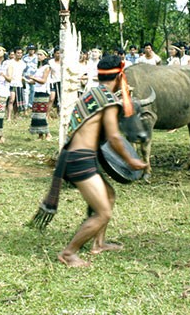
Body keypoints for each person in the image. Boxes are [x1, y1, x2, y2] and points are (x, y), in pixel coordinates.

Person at [31, 54, 147, 267]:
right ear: (121, 76)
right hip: (79, 159)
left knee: (109, 195)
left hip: (77, 156)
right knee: (103, 213)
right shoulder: (108, 101)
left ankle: (98, 244)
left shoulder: (92, 94)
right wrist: (132, 161)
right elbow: (113, 137)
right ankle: (69, 253)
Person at [27, 49, 52, 140]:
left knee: (41, 113)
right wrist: (27, 80)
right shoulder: (39, 67)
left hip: (44, 91)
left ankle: (47, 133)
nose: (38, 56)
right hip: (37, 91)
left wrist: (33, 77)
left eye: (40, 55)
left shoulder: (47, 67)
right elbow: (35, 81)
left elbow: (43, 81)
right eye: (37, 55)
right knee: (36, 113)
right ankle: (40, 134)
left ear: (45, 56)